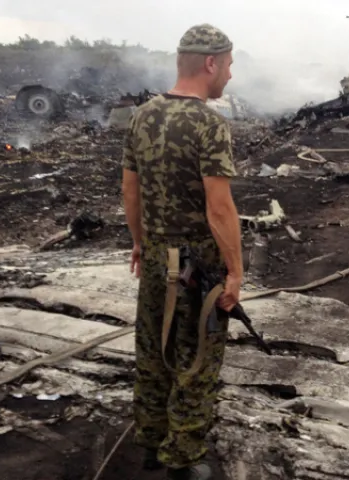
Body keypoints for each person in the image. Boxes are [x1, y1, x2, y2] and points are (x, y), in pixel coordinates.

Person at [121, 23, 242, 480]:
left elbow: (130, 192)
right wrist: (235, 273)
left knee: (152, 353)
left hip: (154, 258)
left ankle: (151, 446)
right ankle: (182, 459)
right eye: (228, 65)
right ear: (210, 63)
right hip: (198, 269)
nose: (230, 75)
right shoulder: (211, 124)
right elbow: (219, 209)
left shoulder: (142, 116)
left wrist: (139, 242)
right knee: (195, 361)